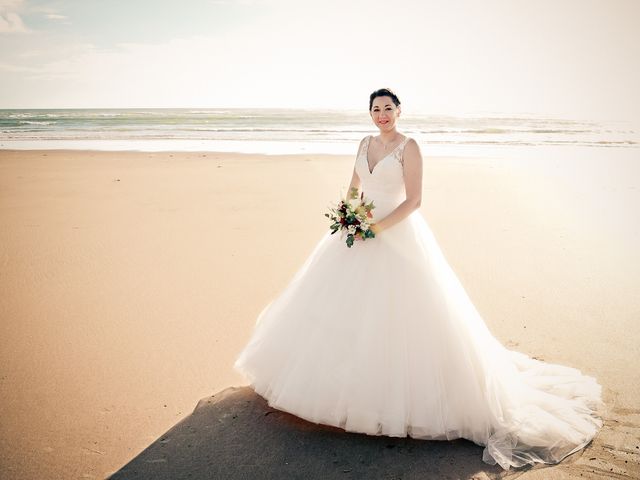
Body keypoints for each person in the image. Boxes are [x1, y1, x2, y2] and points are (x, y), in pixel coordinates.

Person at [233, 88, 604, 470]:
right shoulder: (364, 143)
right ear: (370, 114)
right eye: (376, 109)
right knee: (338, 310)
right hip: (357, 233)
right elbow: (354, 188)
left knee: (405, 312)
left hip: (395, 233)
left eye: (388, 109)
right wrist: (349, 217)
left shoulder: (409, 147)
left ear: (399, 111)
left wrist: (375, 228)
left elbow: (414, 201)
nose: (382, 115)